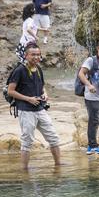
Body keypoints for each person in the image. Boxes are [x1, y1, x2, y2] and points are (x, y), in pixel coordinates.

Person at [7, 43, 61, 171]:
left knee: (53, 137)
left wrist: (44, 94)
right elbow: (10, 91)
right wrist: (28, 99)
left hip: (40, 109)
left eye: (38, 54)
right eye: (33, 54)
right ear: (26, 55)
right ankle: (24, 170)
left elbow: (41, 86)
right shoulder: (19, 70)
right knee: (27, 141)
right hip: (26, 111)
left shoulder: (38, 68)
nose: (36, 57)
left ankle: (58, 166)